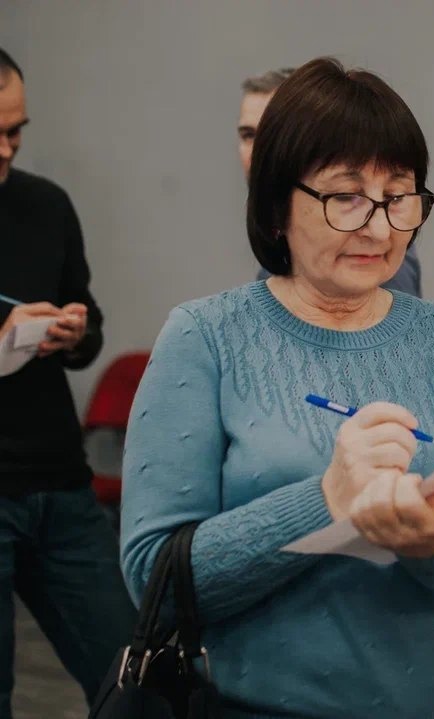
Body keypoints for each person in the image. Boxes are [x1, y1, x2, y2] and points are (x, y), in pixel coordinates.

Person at [121, 57, 434, 719]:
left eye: (398, 197)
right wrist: (327, 499)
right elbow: (153, 579)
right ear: (275, 206)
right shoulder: (205, 335)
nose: (379, 227)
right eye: (345, 196)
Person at [0, 47, 135, 718]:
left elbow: (92, 323)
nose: (6, 149)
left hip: (59, 487)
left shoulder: (45, 205)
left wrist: (75, 333)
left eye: (16, 130)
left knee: (134, 681)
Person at [238, 67, 423, 296]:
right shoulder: (289, 256)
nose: (260, 152)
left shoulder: (368, 254)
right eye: (249, 135)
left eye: (279, 137)